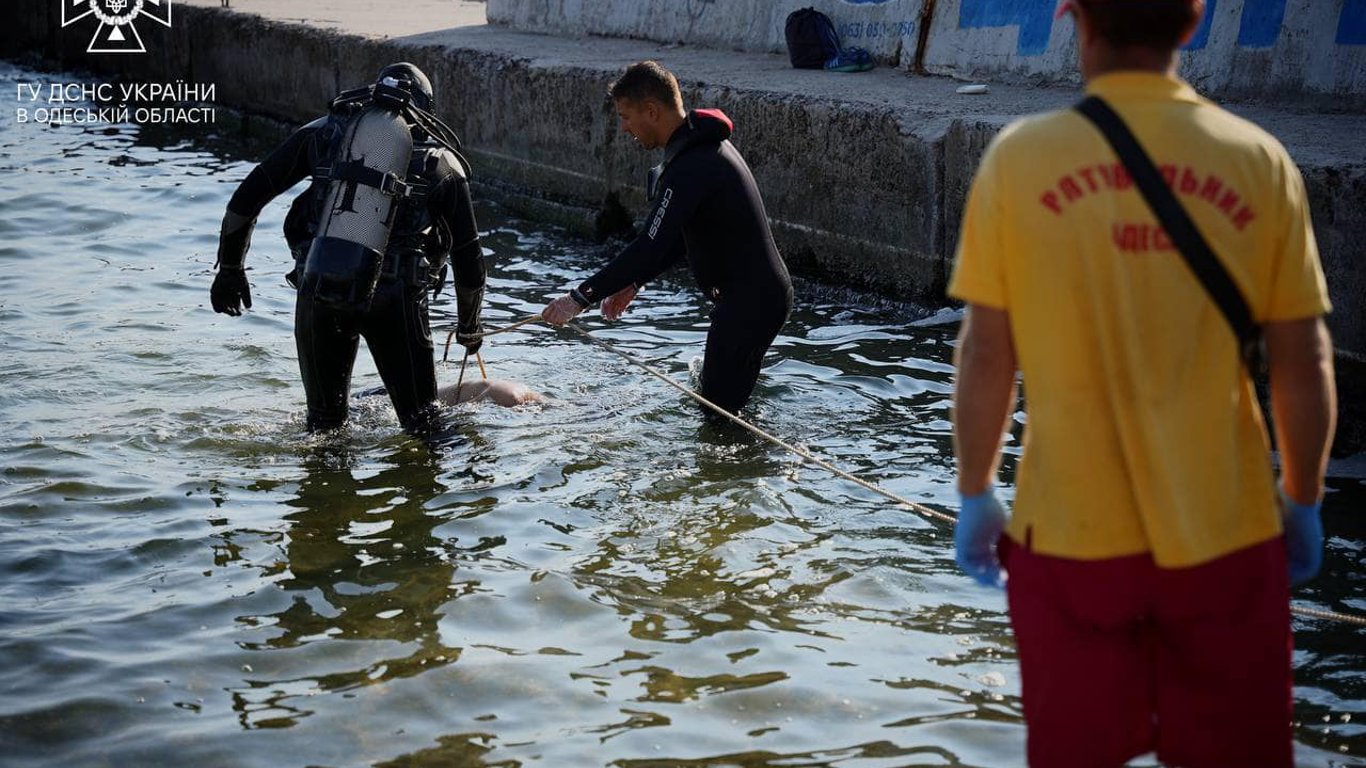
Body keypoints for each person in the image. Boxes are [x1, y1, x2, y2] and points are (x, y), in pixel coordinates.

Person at [947, 1, 1336, 766]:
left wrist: (975, 489)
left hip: (1069, 541)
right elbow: (1304, 360)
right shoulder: (1257, 160)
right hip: (1226, 536)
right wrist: (1303, 497)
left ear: (1074, 19)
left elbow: (988, 356)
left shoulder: (1020, 159)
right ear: (1191, 26)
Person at [209, 62, 486, 433]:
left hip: (322, 283)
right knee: (423, 423)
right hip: (397, 295)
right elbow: (469, 262)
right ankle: (438, 489)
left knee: (324, 428)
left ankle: (322, 488)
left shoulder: (320, 135)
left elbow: (243, 203)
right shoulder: (441, 161)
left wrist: (230, 271)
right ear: (425, 110)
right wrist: (469, 327)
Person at [540, 61, 793, 414]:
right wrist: (634, 282)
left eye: (626, 116)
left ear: (651, 111)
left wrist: (579, 297)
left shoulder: (692, 165)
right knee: (723, 407)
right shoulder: (697, 150)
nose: (624, 127)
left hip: (748, 305)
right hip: (752, 301)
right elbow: (674, 239)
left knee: (718, 419)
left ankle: (758, 463)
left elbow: (649, 244)